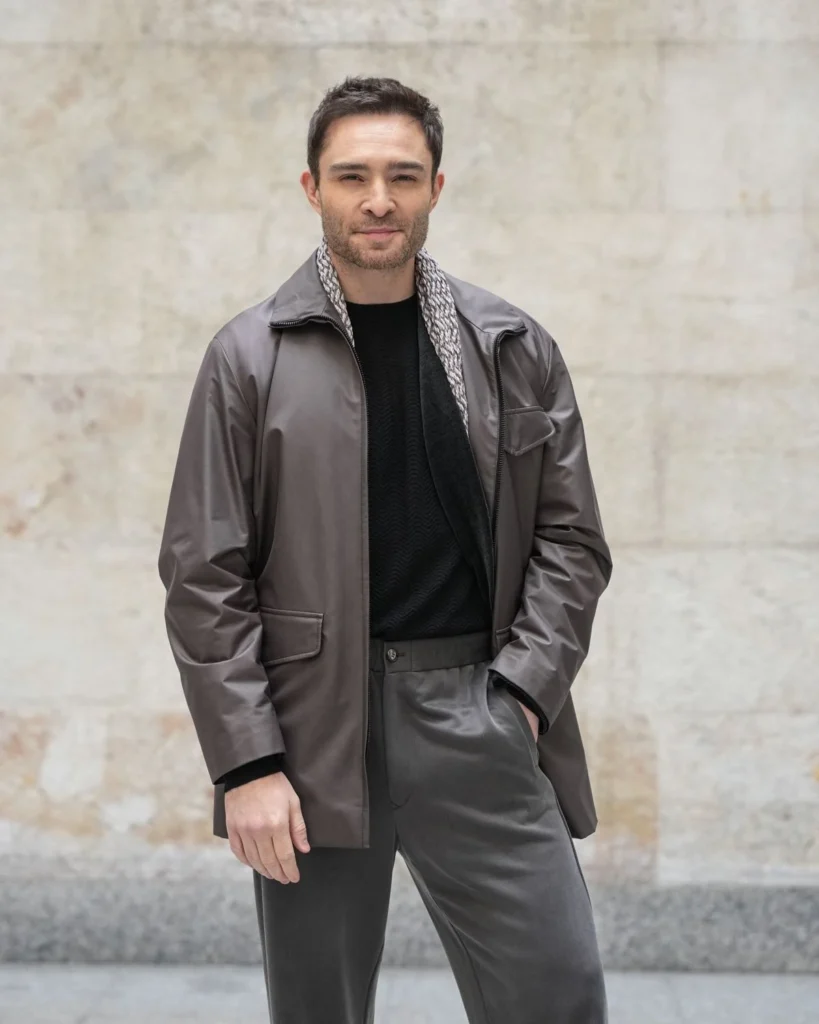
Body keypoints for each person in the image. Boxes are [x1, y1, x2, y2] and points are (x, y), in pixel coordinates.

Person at [158, 74, 613, 1024]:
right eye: (352, 176)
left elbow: (571, 541)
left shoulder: (511, 345)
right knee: (318, 1008)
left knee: (556, 994)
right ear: (311, 188)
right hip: (311, 732)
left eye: (402, 176)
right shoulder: (249, 356)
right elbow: (204, 576)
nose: (378, 199)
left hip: (479, 713)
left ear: (435, 188)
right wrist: (246, 764)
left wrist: (524, 694)